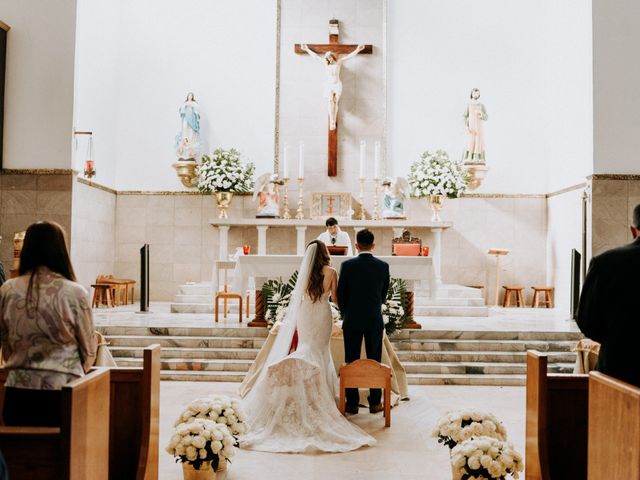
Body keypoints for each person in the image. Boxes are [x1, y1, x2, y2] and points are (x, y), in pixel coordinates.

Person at [240, 240, 375, 453]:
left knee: (306, 346)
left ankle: (303, 388)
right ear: (325, 254)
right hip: (322, 313)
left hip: (305, 314)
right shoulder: (331, 272)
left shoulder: (303, 273)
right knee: (321, 352)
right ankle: (321, 396)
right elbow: (337, 299)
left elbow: (298, 299)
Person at [0, 221, 97, 426]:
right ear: (61, 250)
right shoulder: (75, 292)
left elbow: (5, 343)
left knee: (21, 454)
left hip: (17, 390)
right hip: (63, 389)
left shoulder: (8, 290)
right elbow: (89, 349)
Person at [577, 204, 640, 387]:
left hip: (619, 370)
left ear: (633, 230)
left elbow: (587, 321)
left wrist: (616, 339)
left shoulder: (605, 263)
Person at [338, 229, 390, 414]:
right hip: (373, 319)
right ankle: (375, 402)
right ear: (373, 245)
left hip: (352, 319)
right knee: (375, 359)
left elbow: (341, 294)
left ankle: (351, 403)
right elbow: (383, 294)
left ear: (356, 245)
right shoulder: (383, 266)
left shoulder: (347, 265)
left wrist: (347, 313)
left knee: (351, 359)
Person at [300, 43, 365, 130]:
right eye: (327, 58)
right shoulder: (325, 63)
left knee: (335, 102)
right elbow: (315, 57)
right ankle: (332, 121)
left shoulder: (339, 62)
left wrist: (358, 49)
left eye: (330, 57)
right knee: (330, 101)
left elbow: (349, 56)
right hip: (329, 85)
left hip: (337, 84)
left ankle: (334, 118)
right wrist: (307, 49)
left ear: (332, 56)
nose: (329, 59)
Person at [463, 88, 488, 163]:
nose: (475, 95)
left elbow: (486, 116)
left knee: (479, 141)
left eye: (477, 93)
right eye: (474, 93)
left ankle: (478, 157)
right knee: (471, 141)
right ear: (471, 94)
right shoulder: (469, 105)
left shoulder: (481, 105)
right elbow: (465, 116)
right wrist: (467, 124)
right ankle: (470, 157)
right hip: (471, 127)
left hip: (479, 126)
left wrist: (481, 115)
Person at [174, 92, 201, 160]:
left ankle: (190, 143)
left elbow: (197, 110)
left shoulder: (194, 103)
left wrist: (192, 106)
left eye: (191, 96)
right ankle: (185, 141)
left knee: (191, 131)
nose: (190, 97)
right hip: (186, 118)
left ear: (192, 97)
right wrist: (185, 106)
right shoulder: (185, 103)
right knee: (185, 128)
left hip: (192, 119)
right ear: (187, 97)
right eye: (189, 96)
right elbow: (181, 110)